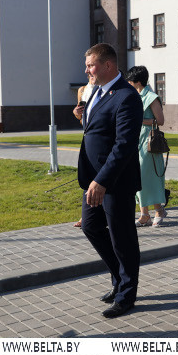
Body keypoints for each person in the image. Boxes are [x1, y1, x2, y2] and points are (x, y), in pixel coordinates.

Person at [77, 43, 144, 318]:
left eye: (90, 65)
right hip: (93, 179)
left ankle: (127, 294)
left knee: (122, 238)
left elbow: (124, 145)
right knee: (91, 227)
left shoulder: (127, 96)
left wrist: (102, 180)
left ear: (107, 65)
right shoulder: (97, 91)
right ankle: (119, 277)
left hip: (114, 181)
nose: (87, 71)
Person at [126, 66, 168, 226]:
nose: (128, 83)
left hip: (148, 143)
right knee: (136, 177)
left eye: (130, 80)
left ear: (137, 81)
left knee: (149, 177)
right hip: (134, 141)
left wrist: (139, 120)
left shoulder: (151, 97)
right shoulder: (134, 97)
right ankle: (144, 214)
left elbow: (160, 121)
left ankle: (158, 210)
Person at [72, 75, 96, 228]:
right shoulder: (82, 90)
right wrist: (76, 111)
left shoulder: (102, 88)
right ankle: (86, 215)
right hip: (87, 135)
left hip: (99, 137)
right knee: (88, 177)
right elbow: (79, 116)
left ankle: (91, 216)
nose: (90, 74)